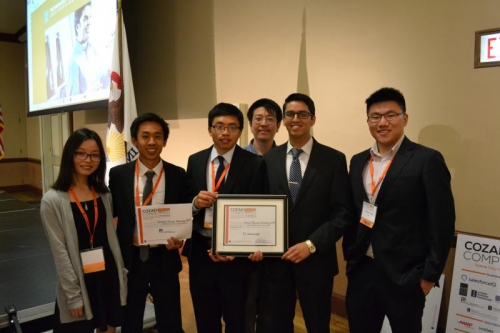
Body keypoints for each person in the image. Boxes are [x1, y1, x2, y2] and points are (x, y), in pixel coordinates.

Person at [343, 87, 455, 333]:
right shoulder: (358, 160)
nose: (382, 122)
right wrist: (351, 256)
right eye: (375, 116)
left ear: (405, 118)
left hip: (406, 276)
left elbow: (442, 222)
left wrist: (429, 277)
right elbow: (353, 212)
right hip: (362, 269)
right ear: (368, 121)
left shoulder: (427, 159)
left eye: (391, 115)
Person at [256, 93, 353, 333]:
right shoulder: (269, 160)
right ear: (284, 121)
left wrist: (310, 245)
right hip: (276, 262)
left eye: (302, 114)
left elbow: (343, 213)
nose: (295, 119)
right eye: (290, 114)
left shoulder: (333, 159)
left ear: (313, 119)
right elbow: (261, 208)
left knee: (318, 323)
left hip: (316, 261)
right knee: (277, 324)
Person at [183, 103, 266, 333]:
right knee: (204, 316)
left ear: (240, 131)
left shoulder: (255, 164)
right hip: (201, 250)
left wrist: (238, 248)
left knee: (236, 319)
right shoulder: (195, 160)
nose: (225, 133)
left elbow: (257, 210)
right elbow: (185, 200)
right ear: (210, 129)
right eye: (219, 126)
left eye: (232, 127)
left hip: (236, 258)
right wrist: (194, 203)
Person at [109, 113, 190, 333]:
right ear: (134, 140)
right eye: (145, 136)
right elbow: (113, 213)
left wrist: (180, 238)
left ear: (164, 141)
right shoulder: (118, 175)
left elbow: (182, 215)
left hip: (164, 257)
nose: (152, 142)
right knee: (131, 321)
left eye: (158, 136)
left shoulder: (178, 175)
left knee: (170, 321)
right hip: (131, 259)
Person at [40, 128, 127, 333]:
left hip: (107, 276)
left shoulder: (104, 194)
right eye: (81, 153)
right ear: (70, 155)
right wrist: (73, 296)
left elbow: (111, 240)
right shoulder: (52, 201)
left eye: (95, 154)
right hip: (79, 281)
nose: (88, 159)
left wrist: (122, 277)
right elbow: (60, 253)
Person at [66, 2, 109, 97]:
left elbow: (104, 77)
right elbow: (72, 99)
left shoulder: (95, 50)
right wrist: (88, 95)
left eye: (90, 17)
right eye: (85, 19)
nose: (89, 22)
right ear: (78, 27)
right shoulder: (73, 62)